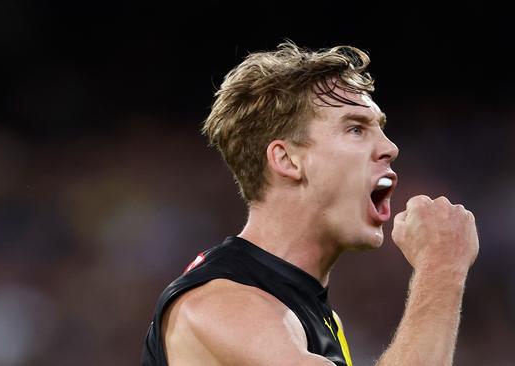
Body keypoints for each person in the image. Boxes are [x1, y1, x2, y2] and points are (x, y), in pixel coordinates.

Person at [141, 42, 479, 366]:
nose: (390, 147)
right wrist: (441, 267)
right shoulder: (224, 305)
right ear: (287, 160)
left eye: (380, 128)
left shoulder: (308, 313)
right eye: (356, 129)